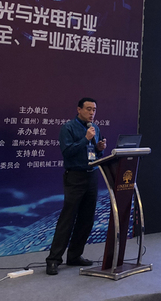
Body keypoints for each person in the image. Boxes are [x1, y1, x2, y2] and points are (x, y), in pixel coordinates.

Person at [46, 97, 107, 275]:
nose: (92, 113)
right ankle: (53, 259)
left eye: (94, 110)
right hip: (75, 177)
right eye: (88, 109)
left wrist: (100, 148)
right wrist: (85, 139)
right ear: (79, 109)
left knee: (86, 219)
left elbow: (94, 153)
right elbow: (67, 152)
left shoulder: (95, 128)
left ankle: (74, 256)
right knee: (68, 218)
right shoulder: (68, 128)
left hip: (92, 175)